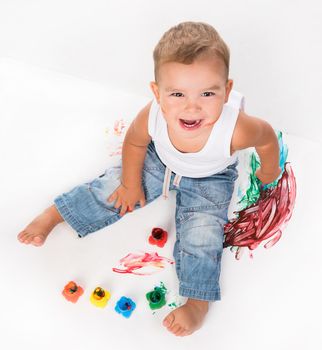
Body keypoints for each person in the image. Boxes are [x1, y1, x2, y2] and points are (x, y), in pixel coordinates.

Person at [17, 21, 281, 336]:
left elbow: (266, 138)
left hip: (212, 176)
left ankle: (197, 300)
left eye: (208, 93)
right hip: (161, 158)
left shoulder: (236, 128)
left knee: (203, 233)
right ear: (157, 93)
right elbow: (135, 142)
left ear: (226, 90)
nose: (192, 106)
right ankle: (59, 213)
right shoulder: (154, 113)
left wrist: (269, 168)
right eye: (178, 94)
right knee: (111, 189)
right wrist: (130, 184)